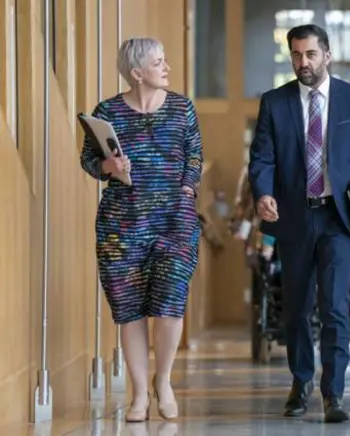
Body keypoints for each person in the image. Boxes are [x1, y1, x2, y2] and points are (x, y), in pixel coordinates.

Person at [248, 24, 350, 423]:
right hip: (293, 217)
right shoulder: (274, 102)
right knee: (296, 306)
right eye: (296, 55)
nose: (302, 63)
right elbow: (262, 157)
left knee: (335, 307)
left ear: (326, 54)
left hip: (338, 218)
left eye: (309, 54)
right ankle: (301, 381)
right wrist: (263, 193)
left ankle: (334, 393)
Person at [80, 37, 203, 422]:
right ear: (136, 72)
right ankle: (138, 394)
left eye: (165, 60)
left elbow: (195, 154)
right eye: (158, 62)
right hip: (121, 221)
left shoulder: (183, 108)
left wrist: (186, 187)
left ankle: (162, 380)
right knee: (129, 309)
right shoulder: (108, 112)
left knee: (169, 306)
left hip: (175, 220)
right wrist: (109, 169)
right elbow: (89, 160)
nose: (166, 67)